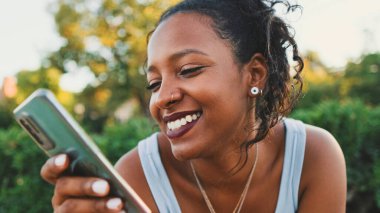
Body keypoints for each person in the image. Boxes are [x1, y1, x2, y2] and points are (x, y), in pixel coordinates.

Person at [40, 0, 347, 212]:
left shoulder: (312, 157)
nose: (162, 98)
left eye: (188, 70)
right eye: (154, 83)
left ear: (254, 74)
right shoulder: (138, 176)